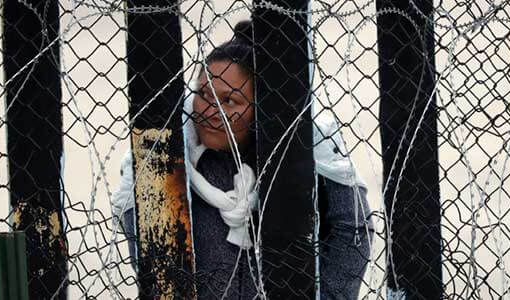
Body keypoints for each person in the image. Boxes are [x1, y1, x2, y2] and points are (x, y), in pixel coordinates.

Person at [110, 20, 372, 299]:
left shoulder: (300, 154)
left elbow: (353, 229)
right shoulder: (173, 159)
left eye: (230, 101)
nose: (211, 111)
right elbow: (143, 233)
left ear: (260, 107)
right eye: (205, 95)